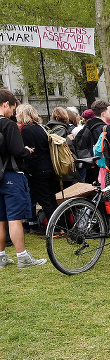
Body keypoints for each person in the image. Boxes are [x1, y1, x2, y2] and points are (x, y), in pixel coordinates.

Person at [0, 89, 46, 268]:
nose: (13, 111)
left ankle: (2, 256)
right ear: (6, 104)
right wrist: (27, 150)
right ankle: (22, 256)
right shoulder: (8, 125)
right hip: (12, 175)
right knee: (15, 218)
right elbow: (18, 151)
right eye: (12, 107)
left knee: (1, 219)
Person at [17, 103, 58, 227]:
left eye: (17, 113)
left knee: (45, 200)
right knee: (51, 199)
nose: (16, 115)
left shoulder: (26, 130)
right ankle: (61, 225)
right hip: (48, 166)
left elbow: (31, 153)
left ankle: (55, 227)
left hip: (39, 170)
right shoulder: (40, 127)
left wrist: (28, 170)